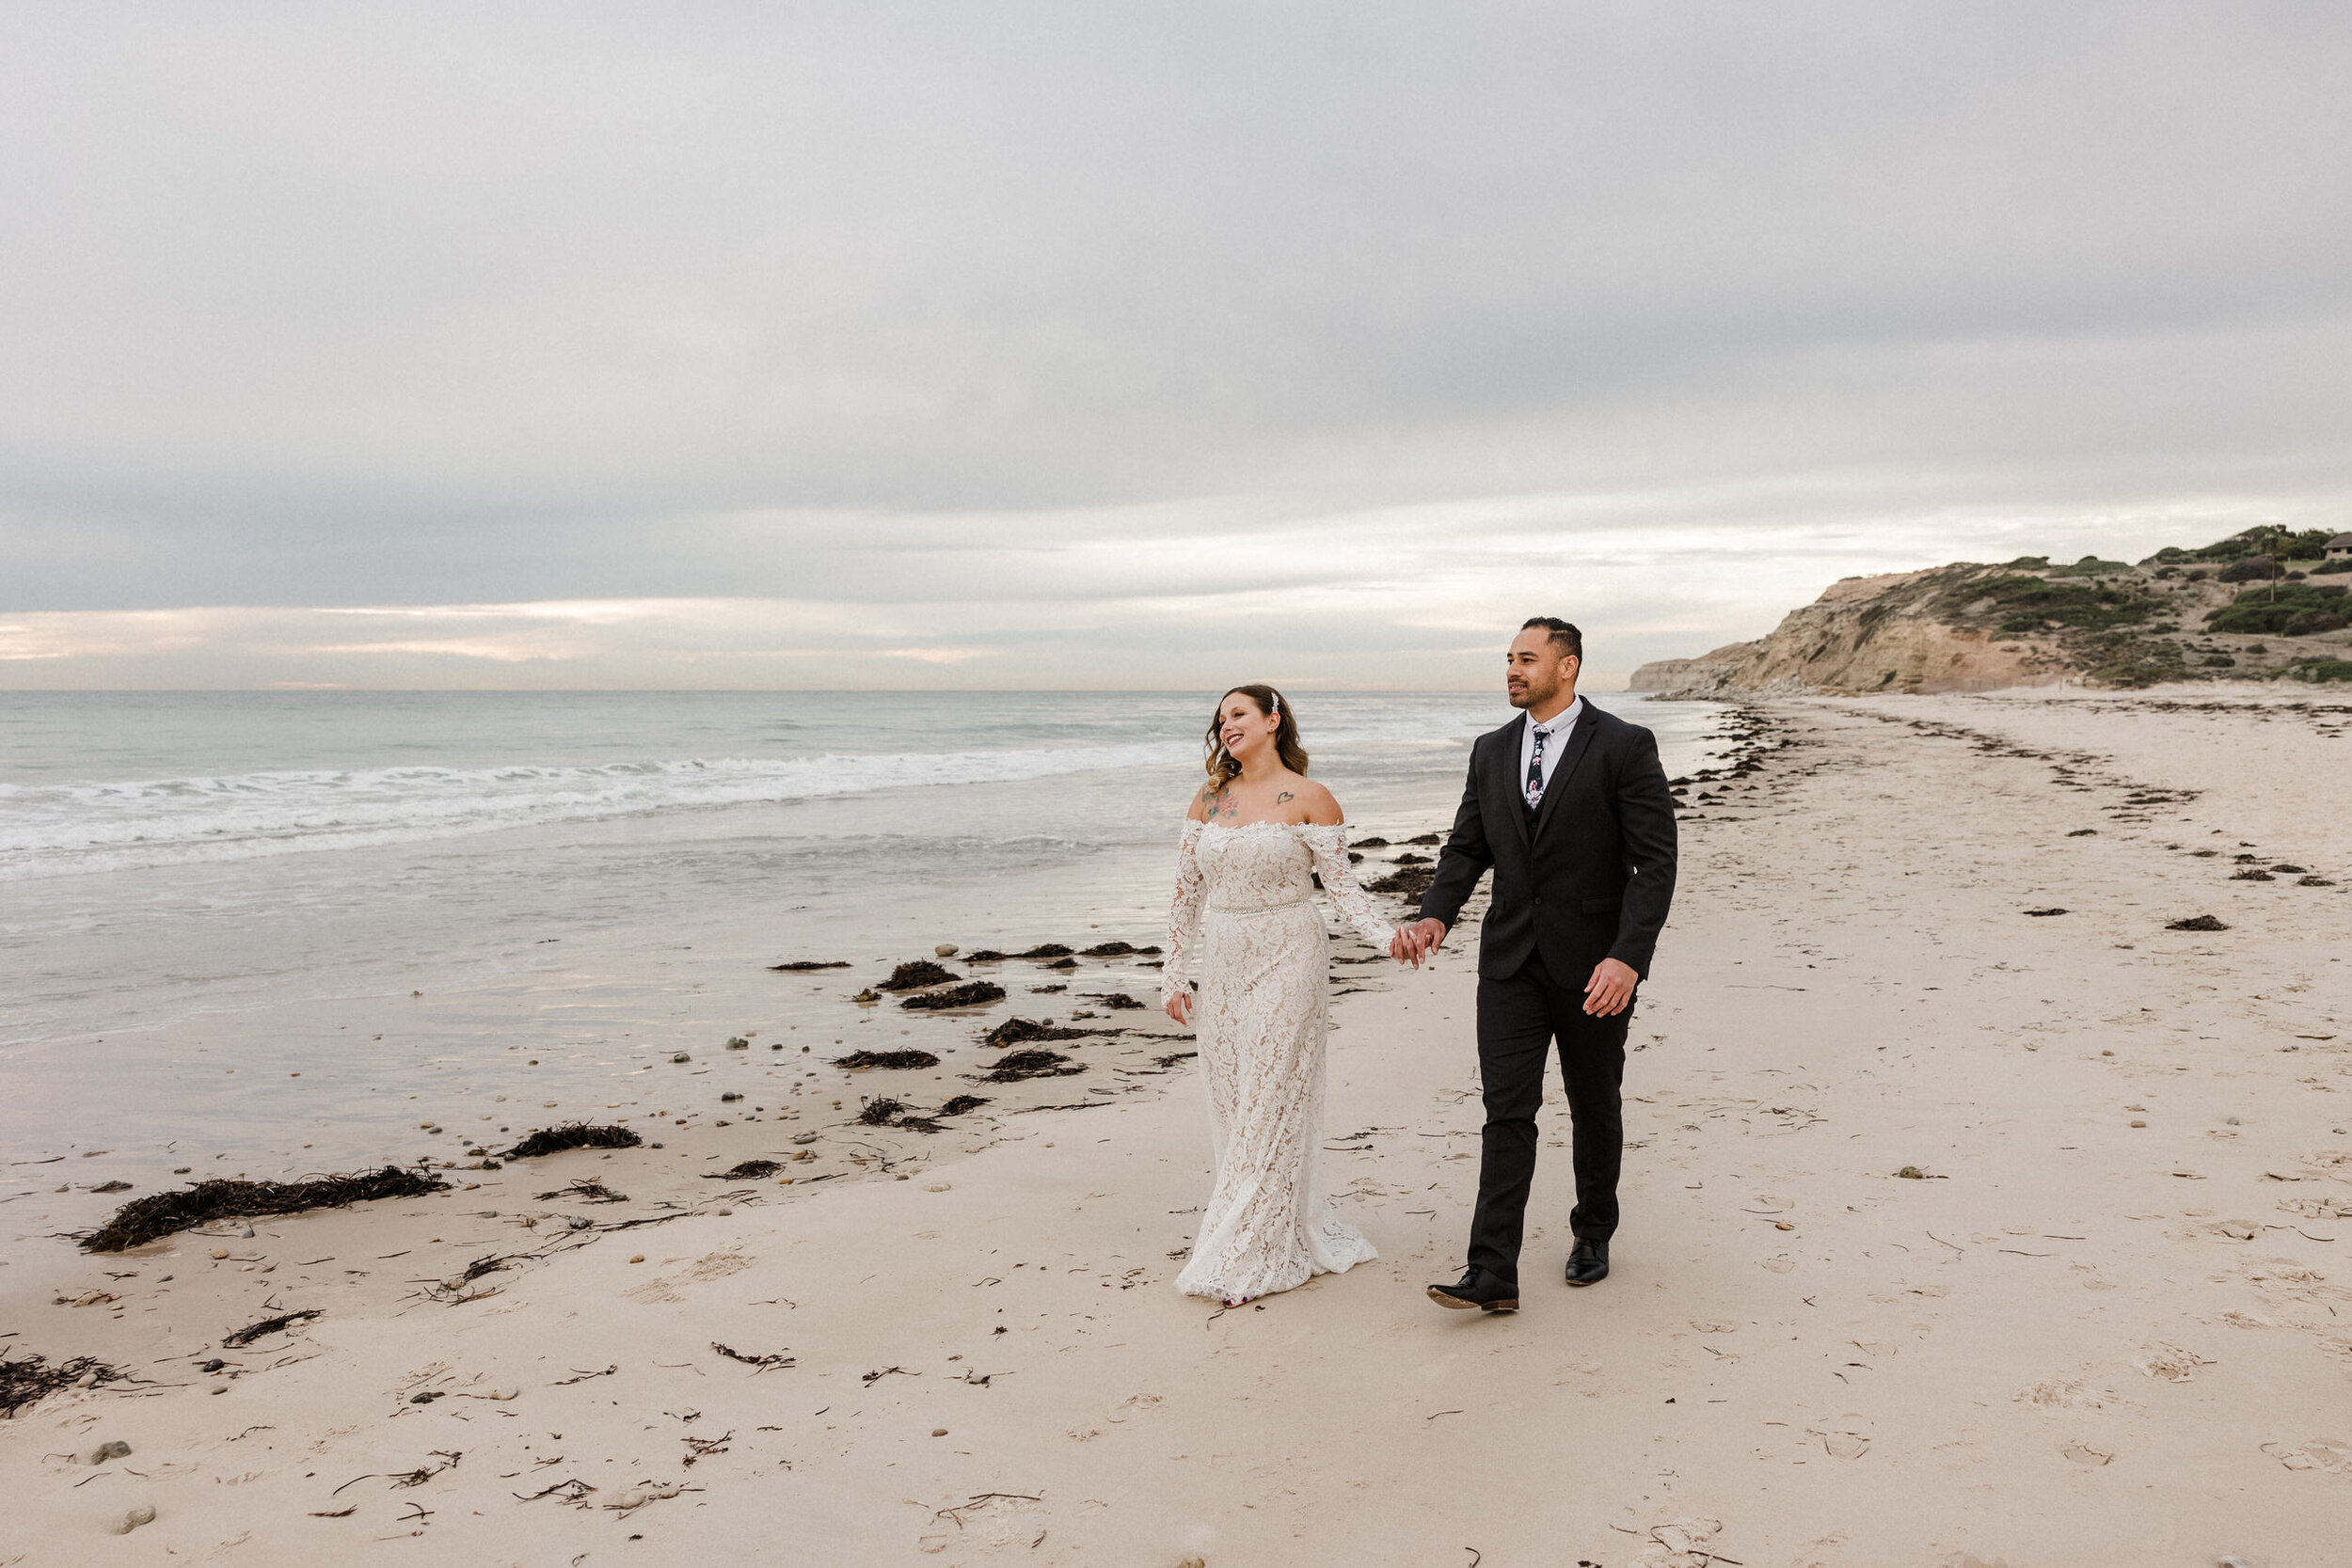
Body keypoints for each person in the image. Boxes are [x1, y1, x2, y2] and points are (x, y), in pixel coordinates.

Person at [1392, 618, 1678, 1313]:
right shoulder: (1492, 750)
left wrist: (1627, 958)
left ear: (1568, 666)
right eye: (1509, 659)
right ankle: (1492, 1270)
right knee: (1507, 1110)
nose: (1513, 670)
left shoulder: (1623, 745)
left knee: (1593, 1101)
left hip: (1594, 965)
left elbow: (1656, 862)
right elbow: (1467, 847)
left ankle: (1594, 1230)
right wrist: (1436, 913)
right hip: (1509, 960)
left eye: (1527, 659)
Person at [1162, 685, 1401, 1307]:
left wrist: (1387, 937)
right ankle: (1267, 1223)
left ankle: (1250, 1250)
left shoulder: (1312, 798)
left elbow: (1343, 889)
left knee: (1271, 1097)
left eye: (1238, 713)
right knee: (1237, 1100)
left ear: (1272, 720)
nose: (1226, 724)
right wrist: (1173, 973)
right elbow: (1186, 892)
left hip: (1290, 953)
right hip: (1225, 958)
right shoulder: (1211, 796)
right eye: (1221, 718)